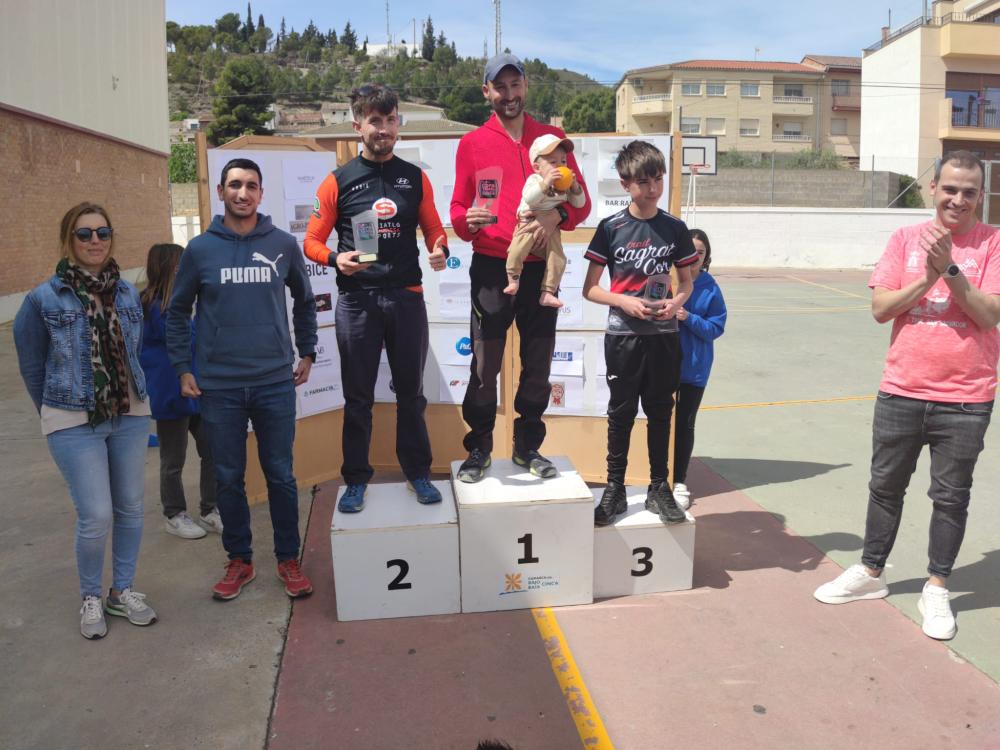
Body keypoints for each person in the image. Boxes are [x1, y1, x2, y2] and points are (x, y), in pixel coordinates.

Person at [813, 151, 1000, 641]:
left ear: (981, 195)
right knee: (885, 486)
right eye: (950, 189)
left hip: (966, 397)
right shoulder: (903, 239)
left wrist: (951, 270)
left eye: (969, 192)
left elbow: (989, 315)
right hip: (902, 389)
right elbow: (881, 308)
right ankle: (871, 571)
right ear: (932, 188)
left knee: (950, 497)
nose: (958, 199)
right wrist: (929, 276)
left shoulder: (994, 243)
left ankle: (937, 586)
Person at [167, 158, 318, 601]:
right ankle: (240, 560)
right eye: (235, 185)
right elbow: (177, 312)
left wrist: (308, 350)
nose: (243, 193)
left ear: (260, 193)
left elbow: (305, 300)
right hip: (220, 386)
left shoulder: (282, 244)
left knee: (281, 476)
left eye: (251, 185)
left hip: (274, 381)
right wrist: (183, 367)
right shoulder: (200, 250)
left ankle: (288, 559)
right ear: (221, 191)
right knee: (229, 478)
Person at [14, 202, 157, 639]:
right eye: (84, 233)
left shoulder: (127, 292)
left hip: (129, 414)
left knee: (130, 507)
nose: (95, 241)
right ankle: (91, 595)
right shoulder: (42, 298)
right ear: (68, 239)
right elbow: (32, 365)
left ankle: (122, 590)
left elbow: (135, 351)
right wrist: (57, 408)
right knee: (96, 514)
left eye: (102, 232)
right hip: (73, 420)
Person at [304, 84, 448, 513]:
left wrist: (439, 248)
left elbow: (434, 228)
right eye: (374, 121)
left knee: (411, 396)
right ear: (357, 126)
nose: (383, 129)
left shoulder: (414, 177)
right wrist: (335, 258)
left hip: (406, 297)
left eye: (389, 120)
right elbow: (311, 241)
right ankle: (355, 480)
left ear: (397, 124)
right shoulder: (338, 181)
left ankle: (418, 473)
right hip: (357, 301)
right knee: (358, 399)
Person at [450, 53, 591, 482]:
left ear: (526, 87)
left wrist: (556, 217)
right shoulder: (472, 144)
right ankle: (479, 448)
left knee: (538, 365)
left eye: (516, 85)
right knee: (484, 366)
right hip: (493, 268)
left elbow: (580, 201)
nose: (509, 95)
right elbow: (458, 208)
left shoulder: (553, 139)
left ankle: (528, 447)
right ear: (487, 92)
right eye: (500, 87)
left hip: (541, 270)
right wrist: (466, 221)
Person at [583, 141, 697, 527]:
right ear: (625, 184)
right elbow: (590, 289)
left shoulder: (675, 228)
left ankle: (658, 487)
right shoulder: (610, 228)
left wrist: (676, 303)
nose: (653, 189)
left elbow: (687, 282)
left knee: (661, 411)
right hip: (623, 336)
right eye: (644, 182)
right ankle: (614, 488)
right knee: (621, 412)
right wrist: (623, 302)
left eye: (658, 180)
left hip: (664, 336)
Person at [139, 243, 221, 539]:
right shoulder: (153, 306)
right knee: (173, 460)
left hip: (196, 390)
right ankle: (174, 515)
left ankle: (210, 509)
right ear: (171, 269)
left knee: (212, 450)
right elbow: (185, 338)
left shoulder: (181, 303)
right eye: (183, 265)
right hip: (171, 394)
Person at [672, 229, 727, 510]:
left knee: (684, 424)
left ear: (706, 257)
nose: (694, 257)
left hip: (693, 369)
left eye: (700, 253)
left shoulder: (710, 287)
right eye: (690, 250)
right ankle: (656, 476)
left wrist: (688, 317)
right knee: (658, 422)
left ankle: (678, 480)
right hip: (663, 366)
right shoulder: (668, 280)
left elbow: (715, 328)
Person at [503, 134, 587, 308]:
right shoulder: (535, 180)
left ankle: (548, 292)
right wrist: (546, 182)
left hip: (551, 228)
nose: (560, 166)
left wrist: (575, 187)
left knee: (558, 257)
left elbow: (580, 204)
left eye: (563, 161)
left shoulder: (564, 185)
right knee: (517, 250)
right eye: (553, 162)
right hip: (528, 222)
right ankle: (513, 279)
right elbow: (530, 198)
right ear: (537, 168)